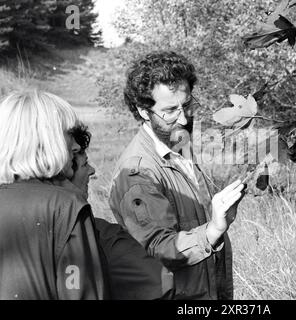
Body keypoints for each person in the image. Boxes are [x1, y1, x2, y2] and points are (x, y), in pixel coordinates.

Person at [109, 51, 245, 300]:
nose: (183, 118)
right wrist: (213, 230)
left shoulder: (179, 146)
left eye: (187, 105)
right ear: (143, 111)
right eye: (170, 110)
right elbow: (158, 248)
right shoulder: (138, 173)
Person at [0, 90, 110, 300]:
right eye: (68, 134)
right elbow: (83, 293)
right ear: (45, 140)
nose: (76, 145)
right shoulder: (66, 206)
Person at [67, 123, 173, 300]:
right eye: (85, 164)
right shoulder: (101, 236)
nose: (93, 170)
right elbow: (159, 282)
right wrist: (210, 233)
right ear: (65, 171)